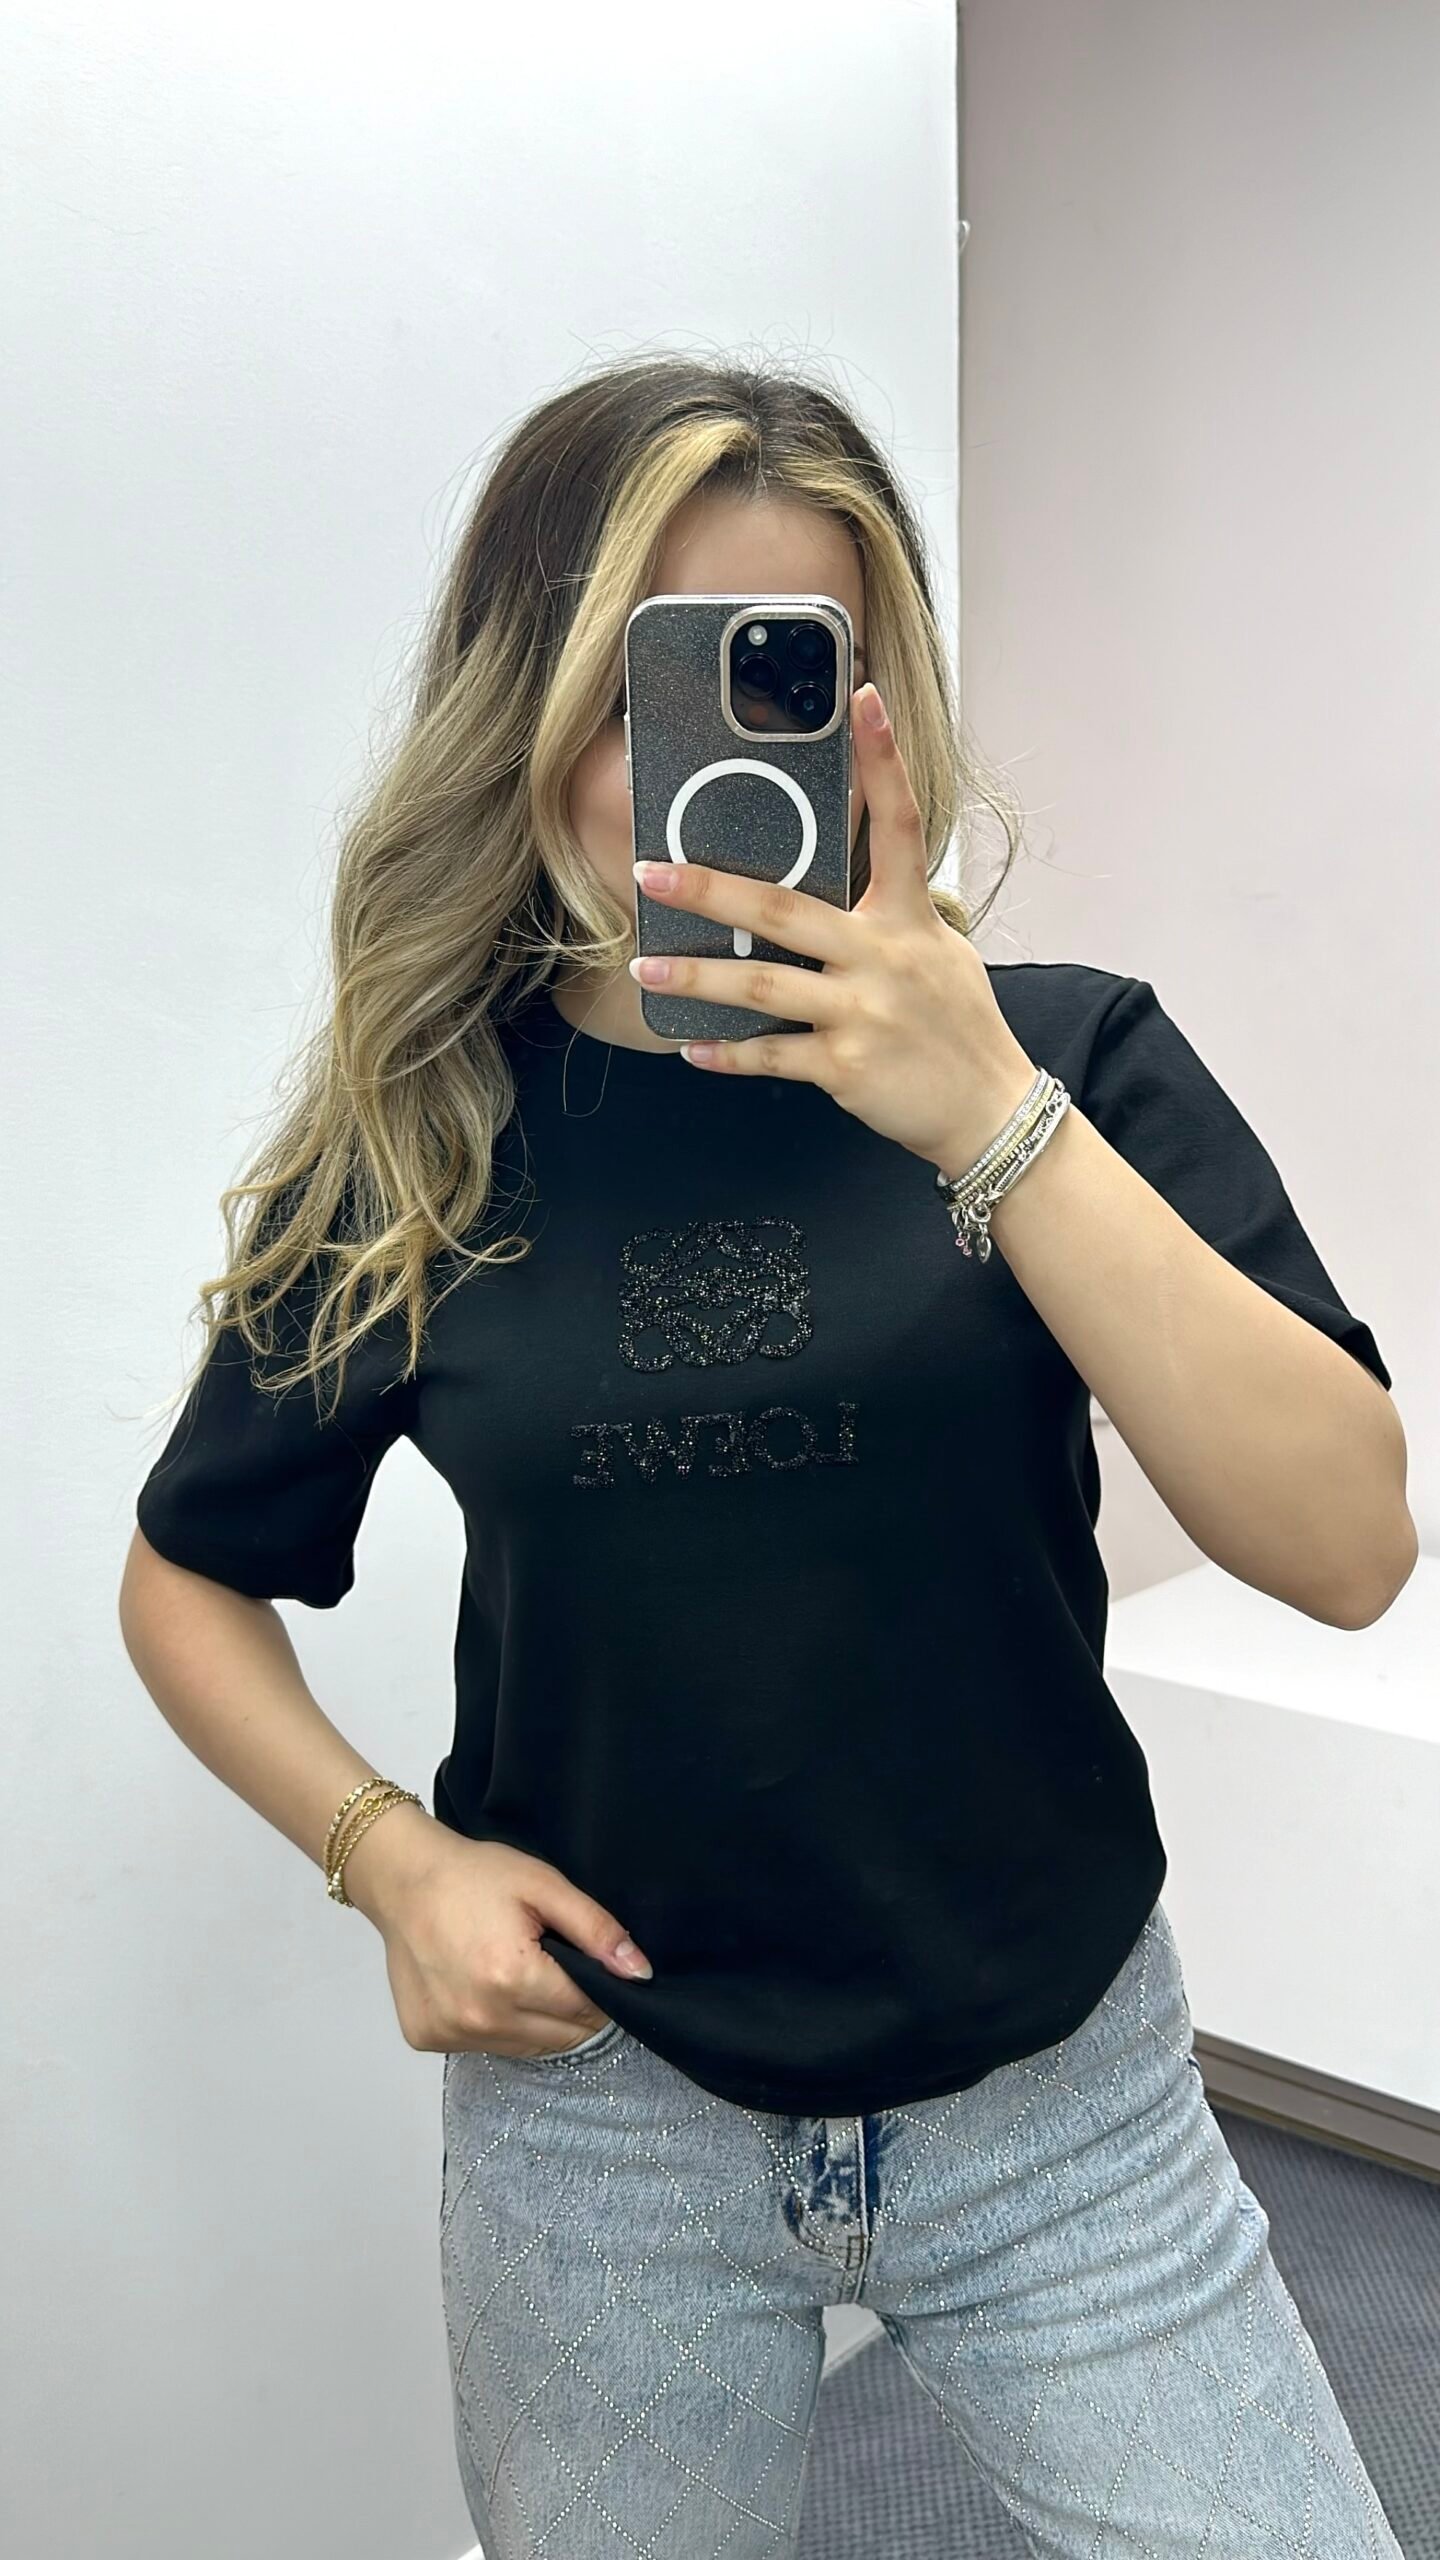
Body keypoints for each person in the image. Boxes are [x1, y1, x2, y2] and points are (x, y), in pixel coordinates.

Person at [121, 355, 1416, 2558]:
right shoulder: (432, 1138)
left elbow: (1349, 1544)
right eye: (652, 688)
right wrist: (387, 1855)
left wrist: (989, 1118)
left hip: (1061, 2100)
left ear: (877, 721)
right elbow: (187, 1570)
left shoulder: (1073, 1058)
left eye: (790, 678)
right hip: (603, 2130)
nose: (711, 770)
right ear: (532, 707)